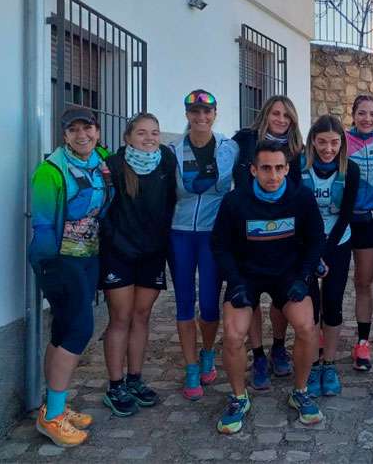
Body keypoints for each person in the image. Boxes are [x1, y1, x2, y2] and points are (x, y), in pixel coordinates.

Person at [211, 141, 324, 433]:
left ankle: (300, 392)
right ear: (253, 170)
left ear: (287, 169)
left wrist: (304, 277)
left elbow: (315, 241)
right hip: (246, 274)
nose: (272, 175)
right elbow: (220, 246)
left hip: (287, 273)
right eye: (265, 168)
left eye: (278, 168)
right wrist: (234, 281)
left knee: (306, 327)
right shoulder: (235, 201)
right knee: (234, 335)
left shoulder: (302, 197)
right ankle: (238, 398)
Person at [28, 107, 114, 447]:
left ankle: (54, 405)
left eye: (88, 129)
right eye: (74, 130)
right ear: (64, 135)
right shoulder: (49, 172)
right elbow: (44, 224)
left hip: (89, 257)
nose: (82, 136)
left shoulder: (102, 159)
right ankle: (51, 419)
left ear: (97, 130)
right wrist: (52, 267)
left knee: (63, 329)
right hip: (59, 260)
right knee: (79, 329)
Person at [100, 113, 176, 416]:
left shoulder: (166, 162)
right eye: (142, 133)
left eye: (155, 133)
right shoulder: (114, 166)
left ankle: (135, 379)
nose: (149, 138)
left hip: (152, 252)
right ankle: (115, 385)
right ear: (127, 138)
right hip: (119, 252)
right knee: (121, 317)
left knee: (142, 316)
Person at [168, 89, 239, 400]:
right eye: (195, 112)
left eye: (206, 112)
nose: (201, 117)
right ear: (187, 115)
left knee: (209, 303)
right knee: (184, 300)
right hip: (180, 232)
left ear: (214, 114)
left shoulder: (229, 148)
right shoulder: (172, 150)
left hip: (213, 234)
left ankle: (208, 351)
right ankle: (192, 367)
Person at [232, 96, 304, 388]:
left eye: (287, 115)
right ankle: (258, 354)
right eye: (276, 113)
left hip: (284, 229)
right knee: (252, 297)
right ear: (265, 114)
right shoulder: (244, 140)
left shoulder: (297, 149)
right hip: (248, 226)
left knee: (279, 297)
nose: (281, 119)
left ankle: (277, 346)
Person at [300, 115, 360, 397]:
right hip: (306, 243)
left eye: (334, 142)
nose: (328, 148)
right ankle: (312, 363)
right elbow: (295, 210)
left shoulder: (351, 170)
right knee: (311, 307)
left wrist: (325, 251)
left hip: (338, 241)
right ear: (313, 141)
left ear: (342, 143)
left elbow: (346, 214)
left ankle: (329, 363)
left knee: (333, 303)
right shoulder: (298, 167)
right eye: (322, 142)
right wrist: (313, 251)